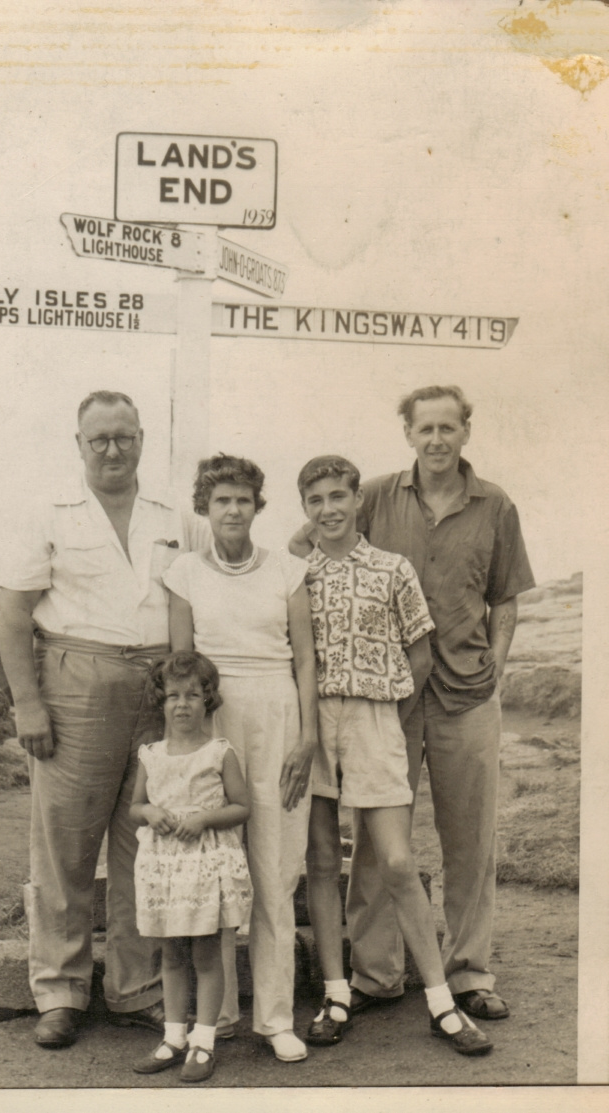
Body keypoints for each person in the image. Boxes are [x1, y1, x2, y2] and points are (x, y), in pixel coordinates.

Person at [291, 385, 534, 1022]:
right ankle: (376, 975)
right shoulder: (370, 493)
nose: (436, 440)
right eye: (424, 428)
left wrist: (497, 669)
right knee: (376, 842)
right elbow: (304, 543)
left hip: (465, 695)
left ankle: (470, 973)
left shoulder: (495, 504)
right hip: (384, 703)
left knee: (469, 840)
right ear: (407, 433)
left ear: (464, 433)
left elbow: (505, 598)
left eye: (447, 428)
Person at [0, 389, 209, 1049]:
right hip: (75, 685)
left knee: (142, 839)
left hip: (158, 682)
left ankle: (134, 987)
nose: (113, 449)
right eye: (99, 440)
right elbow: (12, 611)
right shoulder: (51, 513)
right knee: (65, 843)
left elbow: (195, 598)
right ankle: (59, 990)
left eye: (124, 436)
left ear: (142, 437)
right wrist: (28, 702)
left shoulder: (176, 513)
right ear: (79, 444)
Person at [297, 455, 492, 1056]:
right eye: (316, 500)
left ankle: (440, 1003)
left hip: (377, 720)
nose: (329, 509)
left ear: (359, 499)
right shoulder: (295, 575)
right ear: (304, 509)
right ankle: (336, 993)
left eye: (338, 496)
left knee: (398, 863)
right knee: (324, 862)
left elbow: (421, 654)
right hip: (315, 722)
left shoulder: (392, 568)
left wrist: (393, 721)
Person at [162, 454, 318, 1063]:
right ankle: (217, 1015)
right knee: (214, 868)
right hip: (214, 721)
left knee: (276, 870)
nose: (233, 510)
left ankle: (276, 1017)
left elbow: (305, 659)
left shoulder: (287, 568)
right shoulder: (183, 572)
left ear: (258, 506)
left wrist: (307, 737)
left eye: (243, 500)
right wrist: (192, 748)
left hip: (279, 717)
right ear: (205, 507)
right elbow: (182, 667)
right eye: (222, 500)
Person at [129, 651, 252, 1083]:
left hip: (205, 864)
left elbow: (241, 807)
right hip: (165, 867)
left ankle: (204, 1041)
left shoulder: (218, 753)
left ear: (209, 701)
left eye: (193, 695)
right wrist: (150, 814)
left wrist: (202, 819)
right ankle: (173, 1037)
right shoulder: (152, 755)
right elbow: (135, 805)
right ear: (161, 702)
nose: (182, 705)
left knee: (205, 953)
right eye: (173, 696)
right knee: (172, 953)